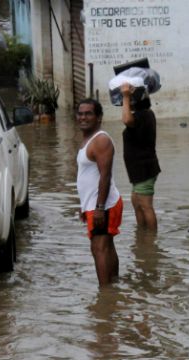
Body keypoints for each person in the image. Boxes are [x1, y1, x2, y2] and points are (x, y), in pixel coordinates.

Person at [76, 99, 123, 286]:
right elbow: (87, 176)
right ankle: (114, 285)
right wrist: (84, 206)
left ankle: (105, 294)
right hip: (95, 204)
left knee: (99, 249)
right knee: (106, 247)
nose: (83, 117)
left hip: (104, 204)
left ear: (99, 117)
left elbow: (105, 175)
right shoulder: (89, 140)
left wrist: (99, 208)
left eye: (88, 113)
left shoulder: (101, 140)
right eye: (80, 114)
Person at [120, 82, 161, 231]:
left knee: (145, 206)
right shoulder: (144, 114)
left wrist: (125, 96)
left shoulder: (143, 115)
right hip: (139, 171)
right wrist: (127, 97)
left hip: (144, 170)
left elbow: (126, 120)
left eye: (130, 100)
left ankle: (151, 239)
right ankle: (142, 236)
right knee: (137, 203)